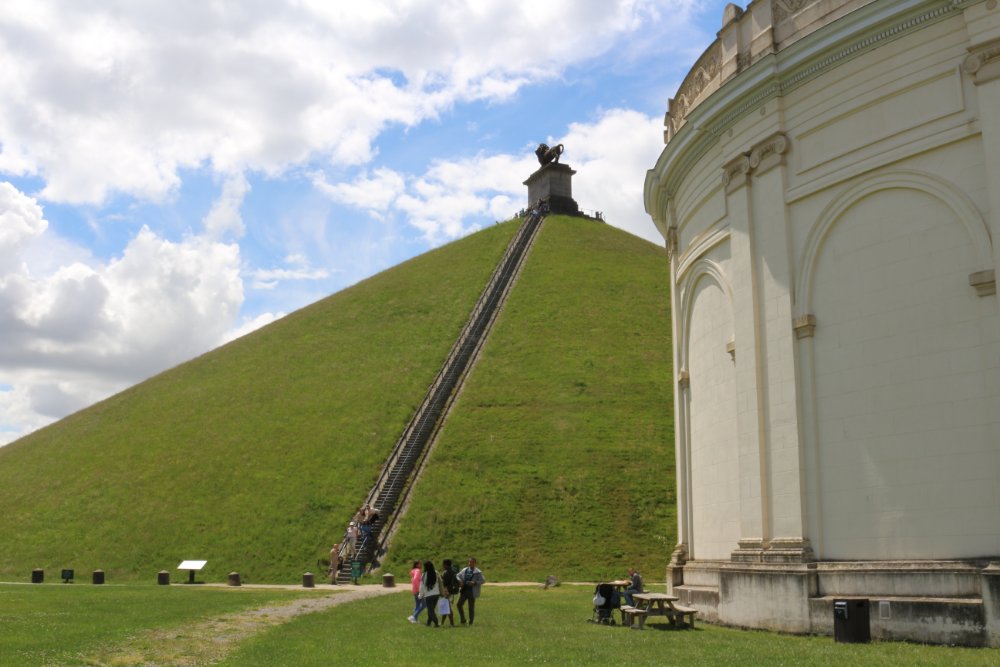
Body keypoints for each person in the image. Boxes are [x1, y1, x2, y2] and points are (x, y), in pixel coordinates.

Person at [456, 557, 486, 626]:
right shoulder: (465, 570)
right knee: (459, 605)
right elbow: (457, 575)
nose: (470, 563)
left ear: (475, 563)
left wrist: (474, 582)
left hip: (472, 591)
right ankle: (463, 620)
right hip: (464, 590)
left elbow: (483, 580)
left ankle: (471, 622)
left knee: (471, 607)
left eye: (472, 562)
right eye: (469, 562)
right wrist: (460, 581)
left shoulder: (478, 572)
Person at [419, 560, 441, 628]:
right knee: (431, 610)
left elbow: (422, 586)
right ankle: (428, 623)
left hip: (428, 595)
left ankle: (436, 623)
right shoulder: (436, 572)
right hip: (436, 594)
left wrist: (420, 595)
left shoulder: (424, 574)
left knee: (430, 610)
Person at [439, 558, 459, 627]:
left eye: (443, 565)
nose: (443, 566)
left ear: (446, 565)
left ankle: (452, 624)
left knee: (448, 608)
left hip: (447, 592)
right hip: (451, 592)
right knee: (445, 607)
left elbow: (445, 583)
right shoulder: (453, 572)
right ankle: (442, 623)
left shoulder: (447, 572)